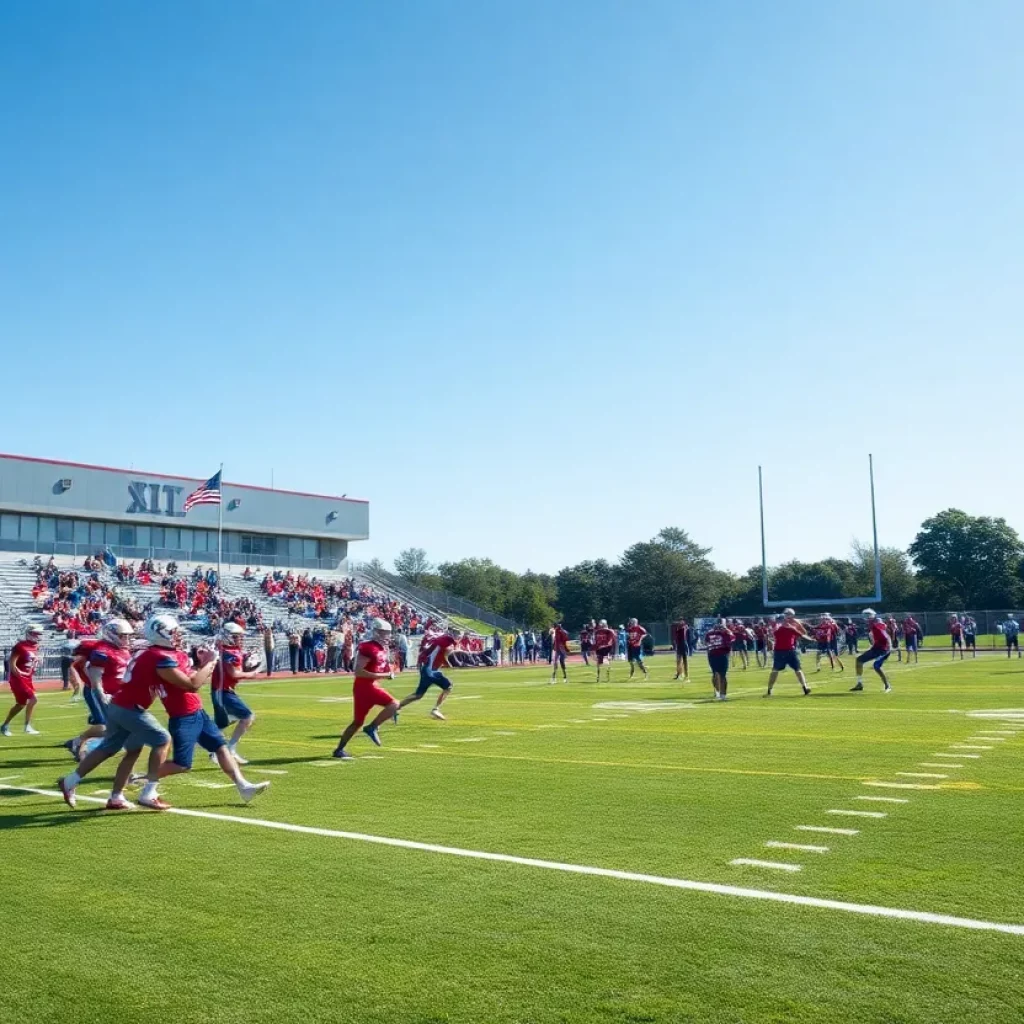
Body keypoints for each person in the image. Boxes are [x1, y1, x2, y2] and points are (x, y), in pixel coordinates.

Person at [57, 614, 203, 811]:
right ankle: (149, 793)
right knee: (162, 739)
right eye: (172, 632)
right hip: (129, 707)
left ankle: (88, 787)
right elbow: (189, 685)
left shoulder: (148, 652)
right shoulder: (158, 656)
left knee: (120, 748)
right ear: (161, 634)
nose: (176, 636)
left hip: (121, 704)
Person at [144, 633, 269, 806]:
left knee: (221, 747)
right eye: (172, 633)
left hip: (197, 712)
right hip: (183, 717)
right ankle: (144, 780)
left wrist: (204, 663)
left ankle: (243, 786)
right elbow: (193, 684)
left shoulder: (172, 657)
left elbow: (195, 678)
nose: (178, 637)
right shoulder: (162, 660)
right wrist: (210, 662)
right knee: (182, 765)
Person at [63, 619, 134, 759]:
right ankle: (86, 749)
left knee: (116, 727)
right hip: (99, 692)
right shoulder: (102, 651)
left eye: (127, 635)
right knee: (111, 727)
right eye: (122, 635)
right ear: (112, 634)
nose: (126, 639)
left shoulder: (122, 650)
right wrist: (101, 694)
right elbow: (93, 675)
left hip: (116, 694)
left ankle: (79, 744)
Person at [332, 618, 400, 759]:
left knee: (357, 722)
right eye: (384, 633)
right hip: (364, 686)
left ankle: (339, 750)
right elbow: (359, 671)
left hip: (370, 685)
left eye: (388, 633)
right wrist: (386, 675)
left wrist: (388, 671)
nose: (387, 636)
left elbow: (381, 667)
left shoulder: (382, 649)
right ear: (376, 632)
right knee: (394, 704)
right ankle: (372, 727)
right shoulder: (368, 647)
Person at [210, 622, 261, 764]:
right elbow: (233, 674)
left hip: (223, 690)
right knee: (247, 716)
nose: (240, 639)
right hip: (223, 691)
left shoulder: (228, 650)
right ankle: (229, 748)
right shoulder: (228, 653)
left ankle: (216, 750)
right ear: (228, 636)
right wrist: (251, 674)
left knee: (222, 723)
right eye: (236, 636)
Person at [399, 627, 458, 719]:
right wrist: (450, 665)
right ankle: (435, 709)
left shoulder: (441, 640)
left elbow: (436, 653)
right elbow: (444, 655)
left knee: (418, 695)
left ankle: (395, 708)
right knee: (448, 686)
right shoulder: (447, 642)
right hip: (430, 670)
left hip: (428, 669)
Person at [1, 625, 43, 736]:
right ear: (29, 633)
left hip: (27, 679)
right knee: (34, 699)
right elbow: (12, 663)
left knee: (20, 704)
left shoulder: (35, 646)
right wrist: (20, 675)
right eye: (36, 633)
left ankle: (4, 725)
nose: (38, 636)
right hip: (18, 678)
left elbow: (30, 660)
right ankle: (27, 726)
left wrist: (36, 662)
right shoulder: (20, 646)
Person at [765, 609, 813, 697]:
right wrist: (812, 639)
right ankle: (805, 688)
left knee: (775, 670)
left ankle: (769, 690)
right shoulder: (790, 628)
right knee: (798, 670)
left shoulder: (777, 628)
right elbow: (803, 634)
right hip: (790, 651)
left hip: (779, 651)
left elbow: (773, 632)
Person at [850, 609, 893, 693]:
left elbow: (883, 629)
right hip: (876, 648)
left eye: (868, 615)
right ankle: (859, 684)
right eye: (865, 615)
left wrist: (889, 646)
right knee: (859, 660)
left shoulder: (877, 621)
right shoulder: (870, 624)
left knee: (876, 666)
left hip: (884, 649)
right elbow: (873, 635)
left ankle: (888, 685)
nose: (866, 617)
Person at [704, 618, 734, 700]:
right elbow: (732, 638)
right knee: (722, 675)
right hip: (721, 655)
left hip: (713, 655)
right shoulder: (724, 631)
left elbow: (707, 644)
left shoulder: (709, 633)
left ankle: (718, 693)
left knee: (716, 674)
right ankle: (722, 695)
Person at [593, 619, 617, 683]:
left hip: (606, 648)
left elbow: (611, 641)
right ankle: (598, 677)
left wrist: (604, 646)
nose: (600, 625)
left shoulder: (609, 631)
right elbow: (595, 641)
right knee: (599, 663)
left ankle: (607, 676)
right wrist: (595, 648)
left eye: (601, 624)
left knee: (606, 662)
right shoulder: (597, 631)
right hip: (599, 648)